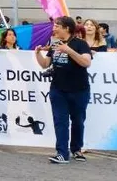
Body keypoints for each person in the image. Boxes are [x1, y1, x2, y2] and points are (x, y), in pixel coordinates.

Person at [34, 16, 92, 164]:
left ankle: (76, 149)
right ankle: (61, 153)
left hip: (79, 90)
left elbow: (86, 62)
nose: (54, 28)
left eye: (57, 26)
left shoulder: (80, 44)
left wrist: (69, 51)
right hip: (58, 90)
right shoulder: (54, 45)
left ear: (66, 28)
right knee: (60, 121)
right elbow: (45, 64)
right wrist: (37, 54)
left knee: (78, 121)